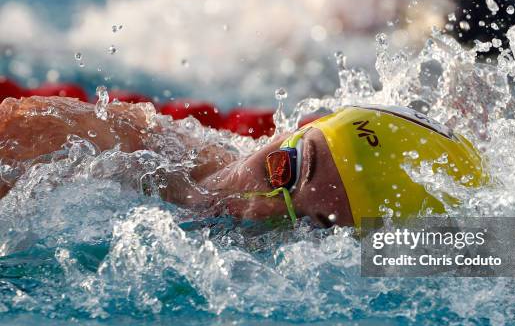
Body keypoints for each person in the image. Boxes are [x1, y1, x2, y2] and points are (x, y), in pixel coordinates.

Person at [0, 96, 485, 227]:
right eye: (287, 171)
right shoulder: (98, 143)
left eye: (316, 227)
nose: (261, 207)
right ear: (295, 127)